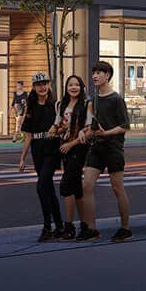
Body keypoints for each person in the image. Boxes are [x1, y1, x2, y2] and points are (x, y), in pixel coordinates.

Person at [76, 59, 133, 242]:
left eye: (99, 72)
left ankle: (125, 228)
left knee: (117, 188)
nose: (95, 76)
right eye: (94, 73)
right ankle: (91, 228)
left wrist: (106, 133)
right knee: (87, 185)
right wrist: (83, 132)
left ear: (107, 75)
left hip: (114, 149)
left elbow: (125, 126)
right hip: (97, 147)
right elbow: (90, 123)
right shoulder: (93, 100)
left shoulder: (116, 99)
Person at [18, 71, 63, 240]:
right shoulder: (31, 107)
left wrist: (56, 130)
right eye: (38, 84)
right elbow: (28, 135)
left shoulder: (56, 105)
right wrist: (22, 158)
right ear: (34, 87)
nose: (42, 87)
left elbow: (63, 126)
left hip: (52, 150)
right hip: (37, 151)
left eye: (44, 83)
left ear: (48, 85)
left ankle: (47, 227)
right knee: (48, 189)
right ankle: (58, 225)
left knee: (42, 186)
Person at [54, 73, 91, 239]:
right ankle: (85, 226)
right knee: (76, 189)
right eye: (70, 85)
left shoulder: (86, 103)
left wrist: (71, 144)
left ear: (81, 87)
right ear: (66, 88)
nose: (73, 87)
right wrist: (58, 130)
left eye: (76, 84)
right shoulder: (62, 104)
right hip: (64, 148)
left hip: (77, 148)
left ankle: (69, 227)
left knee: (66, 185)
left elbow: (89, 128)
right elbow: (59, 126)